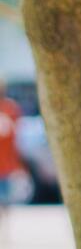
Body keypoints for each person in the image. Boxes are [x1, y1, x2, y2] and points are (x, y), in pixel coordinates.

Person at [0, 81, 26, 224]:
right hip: (6, 162)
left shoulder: (10, 109)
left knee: (4, 198)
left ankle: (4, 225)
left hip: (5, 164)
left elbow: (15, 138)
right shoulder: (11, 109)